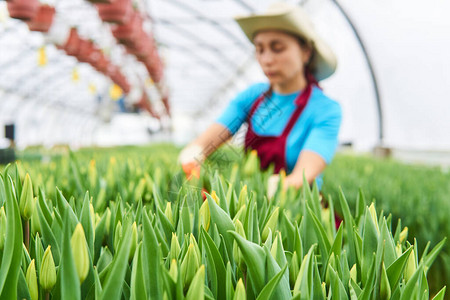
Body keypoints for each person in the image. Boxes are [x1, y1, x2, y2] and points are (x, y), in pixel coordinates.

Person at [179, 2, 342, 194]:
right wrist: (193, 156)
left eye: (278, 48)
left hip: (299, 207)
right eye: (260, 49)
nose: (266, 60)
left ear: (305, 53)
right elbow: (204, 144)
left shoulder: (325, 109)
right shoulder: (253, 97)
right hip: (251, 203)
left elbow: (302, 177)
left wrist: (273, 190)